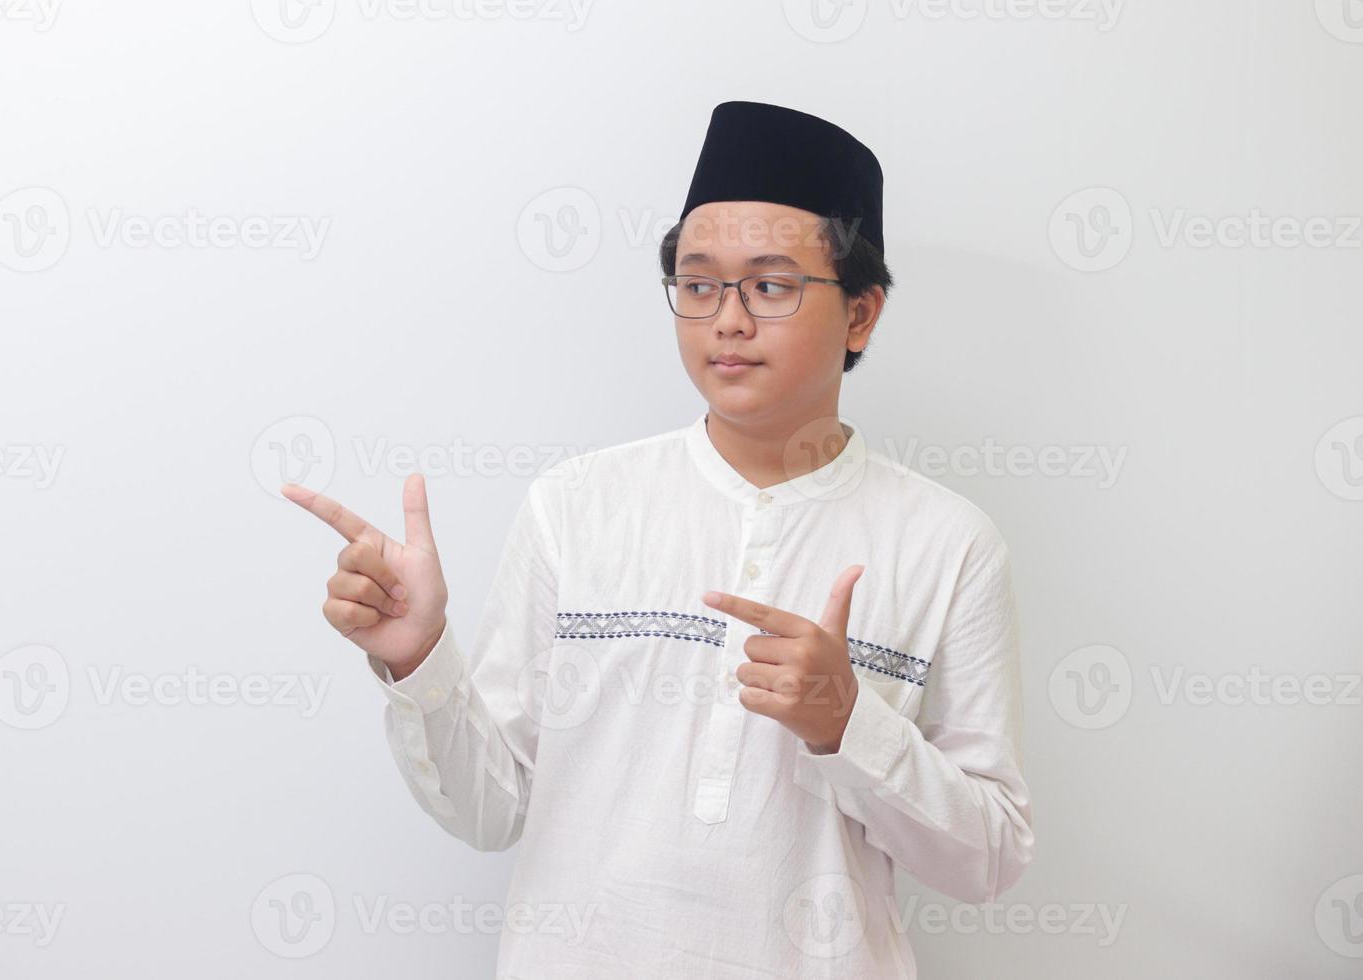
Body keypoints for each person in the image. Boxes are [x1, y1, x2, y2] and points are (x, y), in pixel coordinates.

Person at [282, 99, 1034, 978]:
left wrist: (848, 726)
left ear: (861, 314)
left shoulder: (948, 546)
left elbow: (987, 859)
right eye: (700, 281)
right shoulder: (579, 506)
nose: (728, 320)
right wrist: (420, 664)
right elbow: (489, 811)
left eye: (772, 284)